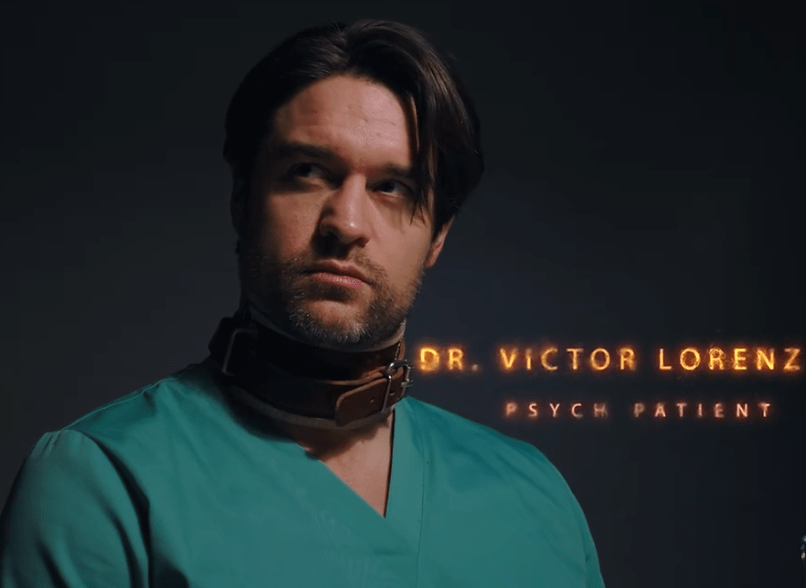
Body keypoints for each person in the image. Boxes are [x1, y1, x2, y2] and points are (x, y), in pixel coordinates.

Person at [0, 19, 605, 587]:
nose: (345, 222)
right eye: (309, 171)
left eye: (391, 187)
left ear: (437, 237)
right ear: (244, 198)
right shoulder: (102, 482)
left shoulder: (537, 498)